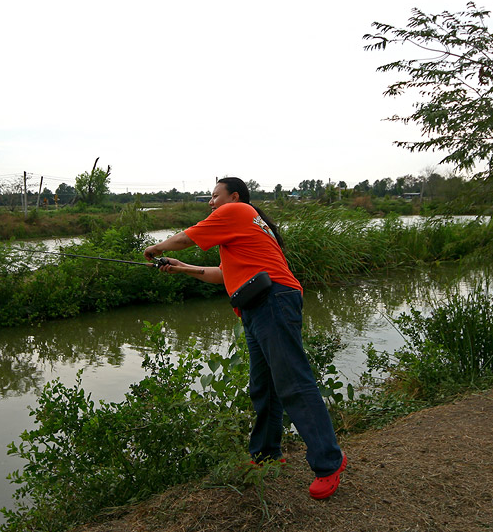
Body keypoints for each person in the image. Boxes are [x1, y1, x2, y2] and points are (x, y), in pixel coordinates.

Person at [143, 177, 347, 500]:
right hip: (256, 306)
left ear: (234, 196)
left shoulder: (237, 210)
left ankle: (329, 463)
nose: (211, 202)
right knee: (263, 386)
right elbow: (223, 274)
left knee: (293, 381)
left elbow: (186, 237)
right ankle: (266, 454)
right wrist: (181, 267)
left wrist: (158, 247)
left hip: (272, 300)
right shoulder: (244, 226)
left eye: (214, 196)